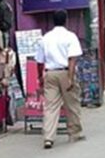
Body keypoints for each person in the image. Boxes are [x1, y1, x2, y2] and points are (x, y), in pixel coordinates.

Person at [34, 9, 84, 150]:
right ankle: (75, 133)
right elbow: (72, 58)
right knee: (72, 104)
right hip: (65, 71)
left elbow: (39, 60)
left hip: (50, 73)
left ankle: (48, 137)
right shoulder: (70, 36)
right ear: (65, 20)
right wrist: (70, 77)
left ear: (53, 21)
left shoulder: (46, 38)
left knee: (50, 107)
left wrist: (40, 77)